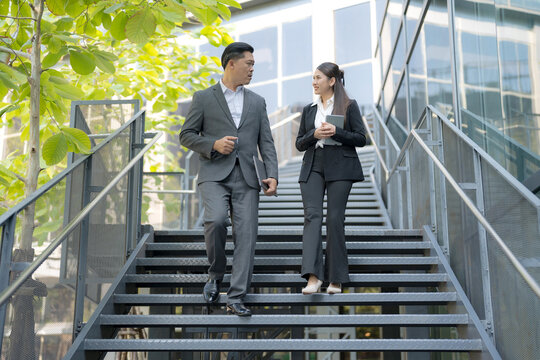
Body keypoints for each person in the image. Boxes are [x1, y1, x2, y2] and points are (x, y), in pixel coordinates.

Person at [179, 42, 278, 316]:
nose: (252, 69)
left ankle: (236, 297)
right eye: (249, 64)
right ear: (231, 63)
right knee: (216, 220)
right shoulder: (203, 97)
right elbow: (186, 135)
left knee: (246, 236)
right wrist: (213, 144)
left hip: (248, 177)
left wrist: (272, 175)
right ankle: (215, 273)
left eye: (253, 65)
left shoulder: (257, 102)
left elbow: (266, 142)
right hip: (214, 174)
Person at [295, 62, 366, 295]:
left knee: (334, 218)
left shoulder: (349, 106)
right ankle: (313, 278)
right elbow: (299, 144)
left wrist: (337, 132)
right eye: (313, 78)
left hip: (341, 165)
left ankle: (336, 278)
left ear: (332, 80)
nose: (314, 82)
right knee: (312, 216)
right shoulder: (309, 110)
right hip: (314, 163)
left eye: (318, 78)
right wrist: (314, 134)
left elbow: (360, 138)